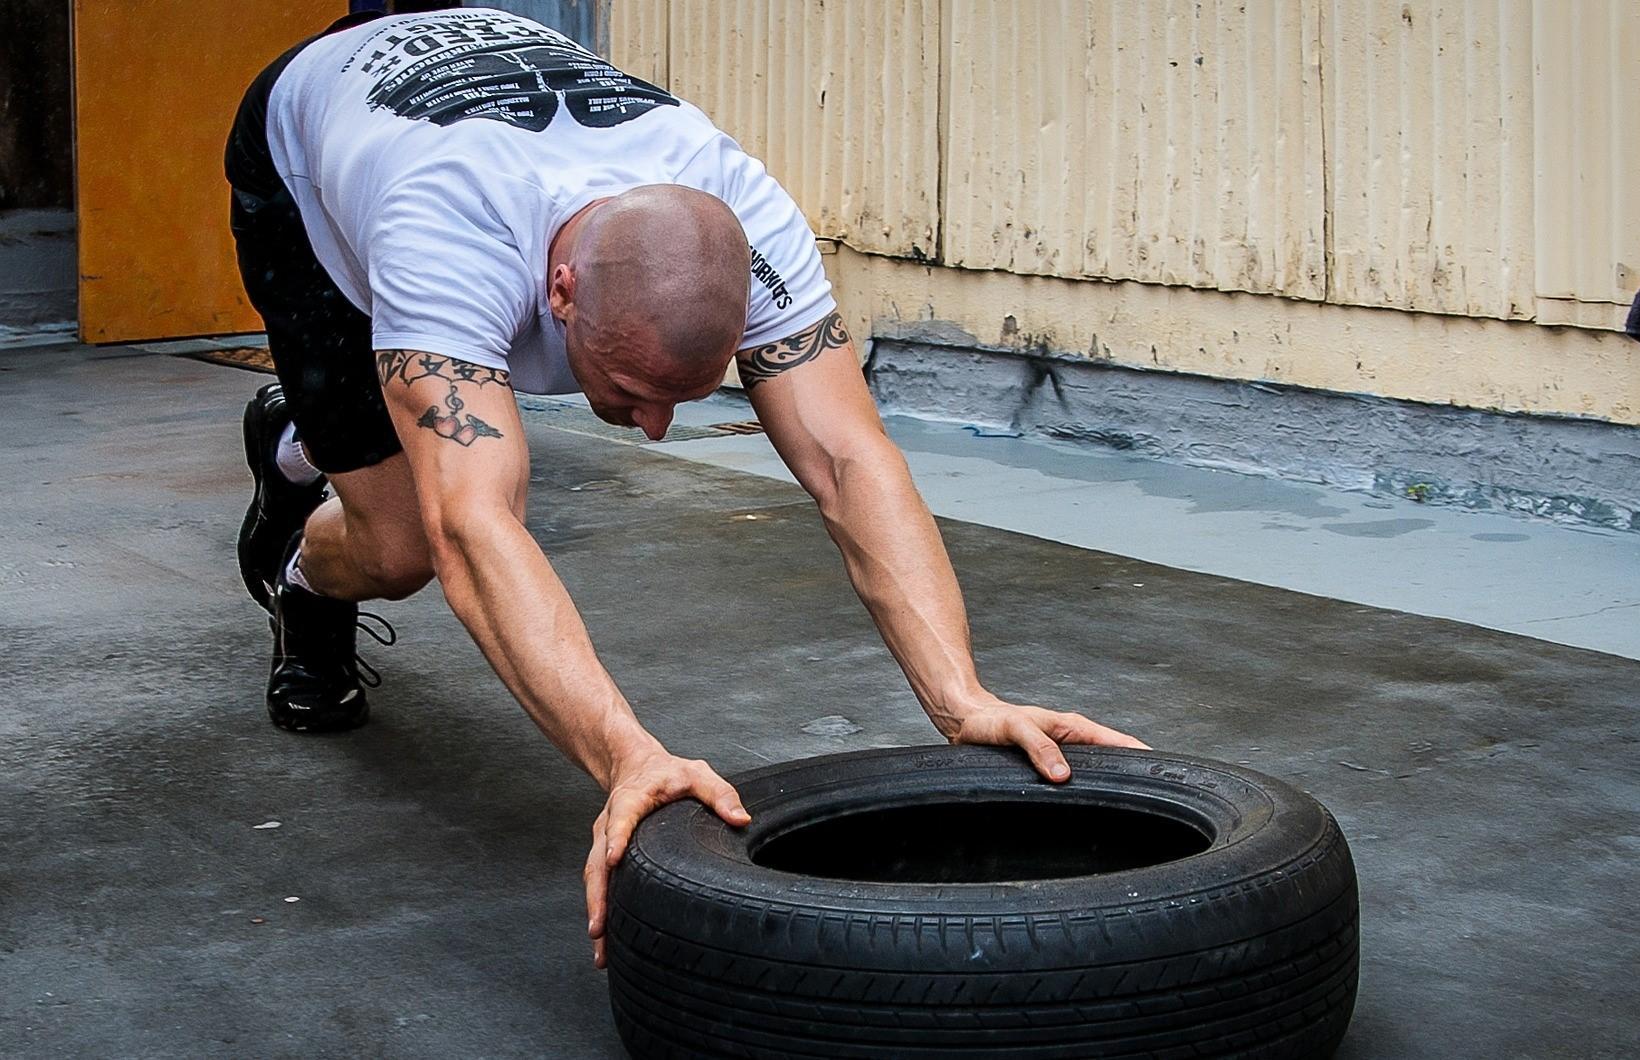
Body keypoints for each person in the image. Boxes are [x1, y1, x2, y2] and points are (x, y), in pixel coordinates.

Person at [224, 5, 1148, 968]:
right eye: (630, 390)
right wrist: (628, 755)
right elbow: (475, 526)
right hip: (307, 157)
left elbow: (849, 462)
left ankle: (312, 446)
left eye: (687, 401)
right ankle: (302, 532)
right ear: (563, 292)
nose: (656, 429)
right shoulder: (443, 238)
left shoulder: (750, 221)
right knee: (404, 546)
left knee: (418, 502)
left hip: (481, 98)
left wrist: (962, 697)